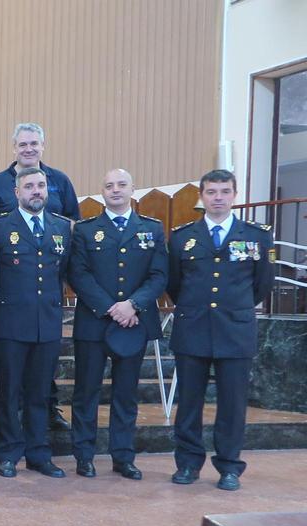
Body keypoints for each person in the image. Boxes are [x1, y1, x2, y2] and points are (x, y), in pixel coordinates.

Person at [168, 169, 274, 491]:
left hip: (235, 331)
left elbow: (262, 284)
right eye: (211, 192)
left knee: (232, 404)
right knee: (188, 404)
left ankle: (229, 467)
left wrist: (234, 307)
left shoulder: (257, 236)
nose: (218, 198)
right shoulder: (181, 237)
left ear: (234, 195)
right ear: (201, 196)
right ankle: (188, 464)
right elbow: (174, 284)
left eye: (224, 192)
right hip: (193, 329)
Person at [0, 122, 80, 431]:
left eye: (34, 143)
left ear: (42, 145)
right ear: (14, 148)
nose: (28, 148)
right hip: (10, 302)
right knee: (10, 384)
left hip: (46, 300)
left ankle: (48, 415)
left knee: (41, 378)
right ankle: (10, 445)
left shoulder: (60, 180)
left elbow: (72, 229)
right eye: (23, 144)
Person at [68, 169, 167, 480]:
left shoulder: (151, 229)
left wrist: (132, 305)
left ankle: (123, 456)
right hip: (95, 323)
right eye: (109, 185)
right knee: (86, 392)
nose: (115, 190)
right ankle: (84, 456)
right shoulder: (85, 230)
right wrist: (112, 308)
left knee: (126, 394)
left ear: (132, 189)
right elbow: (78, 275)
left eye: (121, 185)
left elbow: (159, 275)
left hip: (133, 323)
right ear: (102, 192)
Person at [0, 167, 72, 478]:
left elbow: (62, 271)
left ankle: (39, 453)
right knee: (9, 391)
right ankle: (9, 453)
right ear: (17, 192)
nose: (36, 191)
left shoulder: (61, 227)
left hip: (47, 323)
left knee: (39, 393)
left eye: (40, 186)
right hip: (9, 323)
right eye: (29, 186)